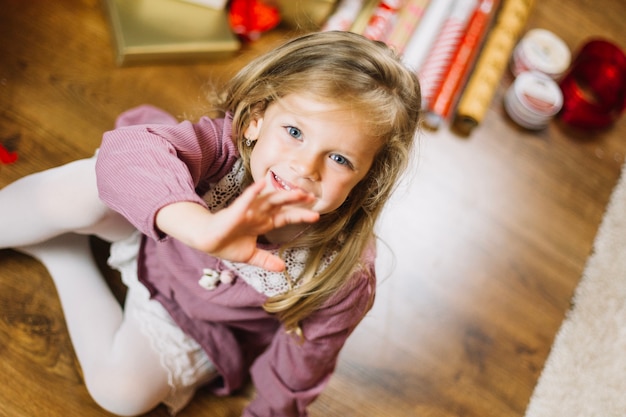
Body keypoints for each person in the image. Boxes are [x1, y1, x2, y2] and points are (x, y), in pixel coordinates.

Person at [0, 31, 421, 416]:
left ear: (368, 178)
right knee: (85, 182)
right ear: (257, 117)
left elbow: (304, 364)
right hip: (151, 235)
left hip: (195, 324)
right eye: (294, 131)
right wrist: (199, 227)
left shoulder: (342, 272)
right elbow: (129, 153)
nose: (304, 167)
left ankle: (64, 255)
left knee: (120, 393)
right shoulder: (225, 149)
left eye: (340, 159)